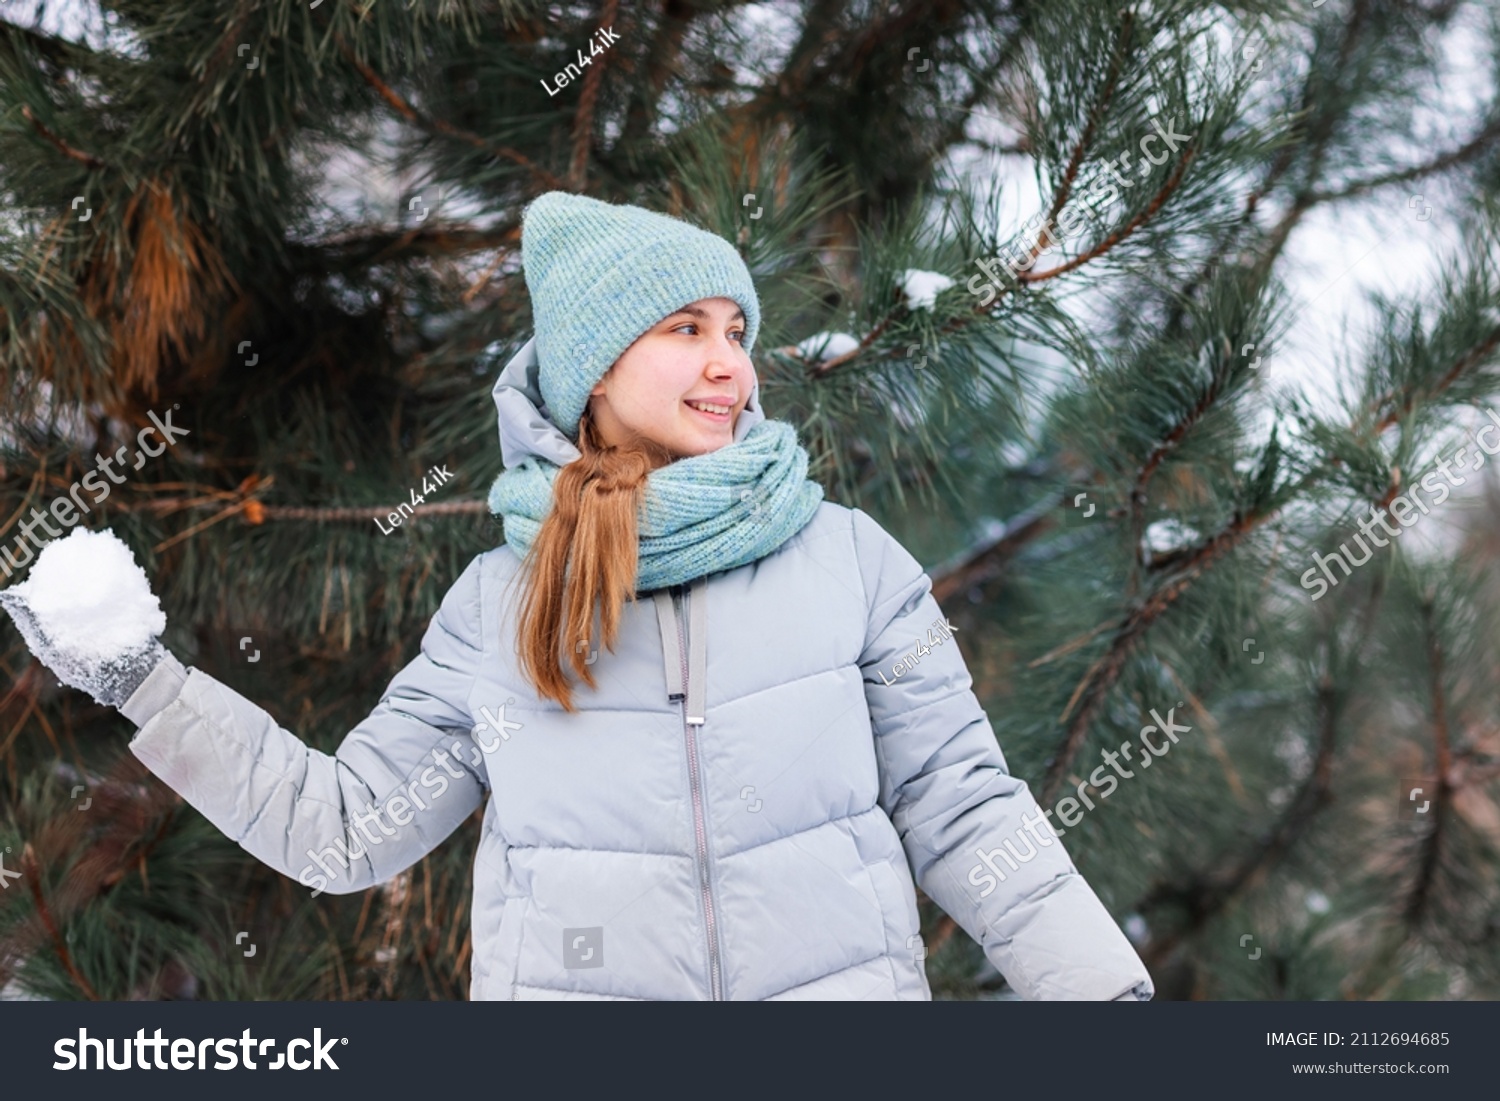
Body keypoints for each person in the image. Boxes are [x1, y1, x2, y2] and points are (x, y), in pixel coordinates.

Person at [0, 191, 1153, 1001]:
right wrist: (139, 680)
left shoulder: (844, 560)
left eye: (738, 332)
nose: (730, 364)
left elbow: (964, 807)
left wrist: (1102, 998)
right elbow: (346, 831)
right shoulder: (501, 603)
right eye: (686, 329)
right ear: (597, 369)